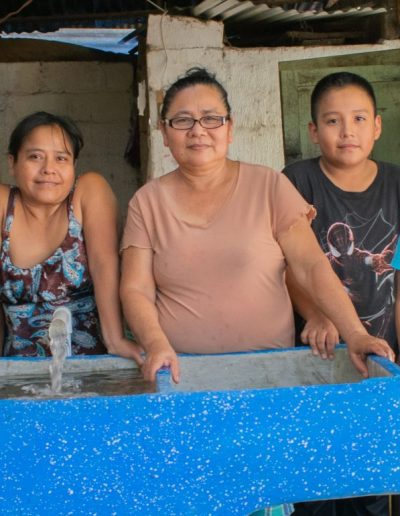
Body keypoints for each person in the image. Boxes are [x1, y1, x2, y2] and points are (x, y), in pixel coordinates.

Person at [119, 68, 394, 516]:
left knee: (264, 497)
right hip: (183, 384)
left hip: (269, 385)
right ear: (164, 134)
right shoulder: (146, 202)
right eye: (182, 120)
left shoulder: (268, 185)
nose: (198, 130)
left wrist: (355, 332)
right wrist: (155, 343)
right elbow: (134, 288)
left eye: (211, 118)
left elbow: (310, 266)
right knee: (195, 498)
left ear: (229, 128)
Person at [283, 72, 399, 516]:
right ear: (314, 131)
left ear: (377, 126)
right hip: (317, 353)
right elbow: (287, 264)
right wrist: (316, 313)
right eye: (333, 121)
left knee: (371, 481)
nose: (347, 131)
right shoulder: (297, 181)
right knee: (315, 479)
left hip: (379, 355)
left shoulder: (397, 184)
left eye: (359, 119)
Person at [0, 111, 142, 363]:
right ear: (13, 163)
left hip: (92, 363)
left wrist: (116, 340)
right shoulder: (3, 204)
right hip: (17, 366)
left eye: (61, 158)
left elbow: (104, 265)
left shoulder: (88, 192)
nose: (49, 169)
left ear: (73, 165)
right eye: (35, 157)